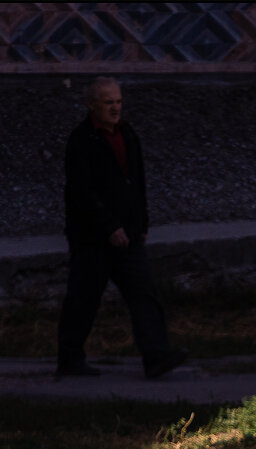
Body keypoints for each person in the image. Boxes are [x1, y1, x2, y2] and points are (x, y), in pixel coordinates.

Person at [57, 76, 186, 378]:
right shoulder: (82, 141)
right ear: (92, 105)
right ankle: (69, 359)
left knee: (144, 293)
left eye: (118, 101)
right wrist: (108, 227)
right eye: (108, 103)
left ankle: (156, 357)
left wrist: (140, 224)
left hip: (128, 236)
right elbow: (82, 192)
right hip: (93, 238)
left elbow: (137, 183)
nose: (115, 108)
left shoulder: (127, 134)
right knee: (84, 298)